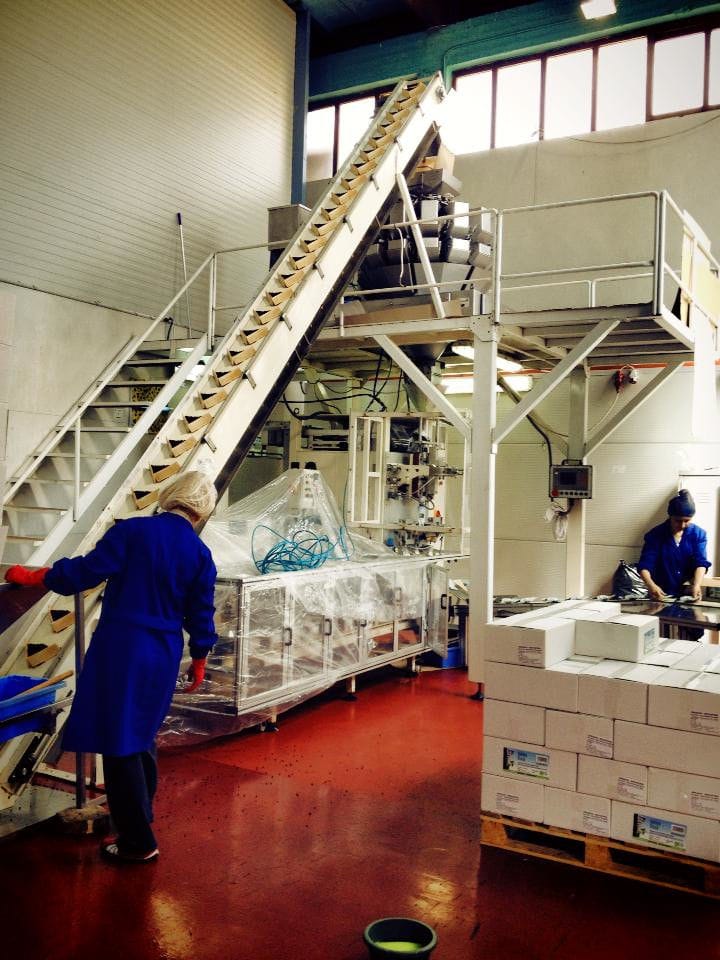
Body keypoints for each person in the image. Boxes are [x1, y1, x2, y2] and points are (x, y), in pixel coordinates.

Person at [4, 470, 218, 863]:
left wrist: (37, 576)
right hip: (163, 653)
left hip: (124, 647)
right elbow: (201, 613)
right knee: (141, 736)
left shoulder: (133, 531)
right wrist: (201, 656)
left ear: (169, 496)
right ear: (202, 511)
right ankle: (140, 816)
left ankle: (138, 841)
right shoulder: (200, 554)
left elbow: (84, 572)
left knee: (119, 743)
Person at [638, 488, 711, 603]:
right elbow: (645, 566)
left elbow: (700, 563)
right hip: (661, 592)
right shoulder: (655, 535)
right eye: (677, 520)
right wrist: (651, 585)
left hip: (686, 592)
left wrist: (697, 585)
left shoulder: (698, 534)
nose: (682, 525)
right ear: (670, 516)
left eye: (687, 521)